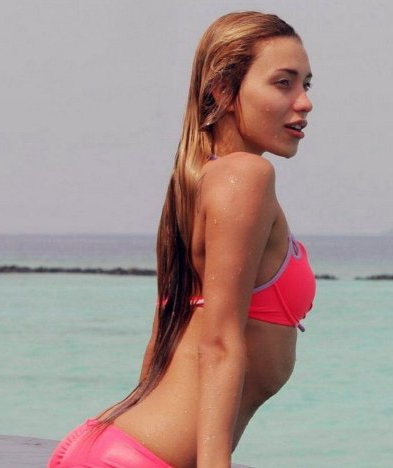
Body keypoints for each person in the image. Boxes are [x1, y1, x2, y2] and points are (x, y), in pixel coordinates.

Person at [48, 11, 316, 468]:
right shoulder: (246, 176)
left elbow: (164, 332)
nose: (304, 102)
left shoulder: (200, 179)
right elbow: (220, 343)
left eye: (306, 85)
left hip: (123, 448)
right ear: (223, 91)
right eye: (283, 83)